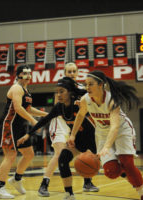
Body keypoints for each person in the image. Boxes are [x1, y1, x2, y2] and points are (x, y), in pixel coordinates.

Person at [67, 70, 143, 200]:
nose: (87, 87)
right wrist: (72, 135)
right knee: (111, 172)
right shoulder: (85, 100)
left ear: (101, 85)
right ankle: (124, 172)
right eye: (86, 84)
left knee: (127, 163)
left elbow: (115, 127)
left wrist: (106, 147)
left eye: (91, 84)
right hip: (102, 133)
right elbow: (80, 115)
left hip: (122, 131)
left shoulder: (112, 100)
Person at [17, 77, 97, 200]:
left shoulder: (80, 102)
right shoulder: (59, 107)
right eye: (57, 92)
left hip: (94, 141)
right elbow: (45, 120)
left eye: (61, 91)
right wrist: (28, 134)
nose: (58, 95)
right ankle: (69, 194)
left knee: (115, 166)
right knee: (63, 159)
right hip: (77, 141)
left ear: (70, 92)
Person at [37, 62, 98, 197]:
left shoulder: (82, 88)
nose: (71, 74)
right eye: (69, 71)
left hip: (74, 123)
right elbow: (58, 107)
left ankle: (87, 182)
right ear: (64, 73)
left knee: (83, 151)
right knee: (60, 154)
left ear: (77, 73)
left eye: (73, 71)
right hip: (60, 122)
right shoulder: (62, 88)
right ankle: (44, 185)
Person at [0, 64, 48, 199]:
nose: (28, 75)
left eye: (30, 73)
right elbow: (18, 108)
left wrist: (45, 115)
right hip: (9, 125)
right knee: (10, 156)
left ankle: (16, 179)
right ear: (18, 75)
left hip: (18, 126)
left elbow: (28, 109)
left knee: (29, 154)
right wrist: (33, 121)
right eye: (25, 73)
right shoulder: (16, 88)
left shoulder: (26, 90)